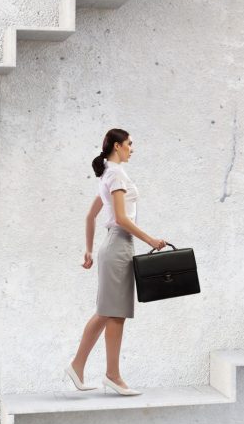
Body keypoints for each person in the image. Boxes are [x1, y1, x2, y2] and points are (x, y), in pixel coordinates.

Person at [66, 128, 168, 396]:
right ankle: (112, 375)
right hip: (119, 246)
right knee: (115, 313)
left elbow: (91, 216)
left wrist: (89, 251)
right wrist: (151, 239)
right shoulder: (116, 174)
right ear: (117, 146)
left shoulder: (108, 174)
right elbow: (122, 218)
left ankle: (77, 367)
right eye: (129, 143)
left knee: (107, 311)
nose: (132, 148)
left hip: (114, 246)